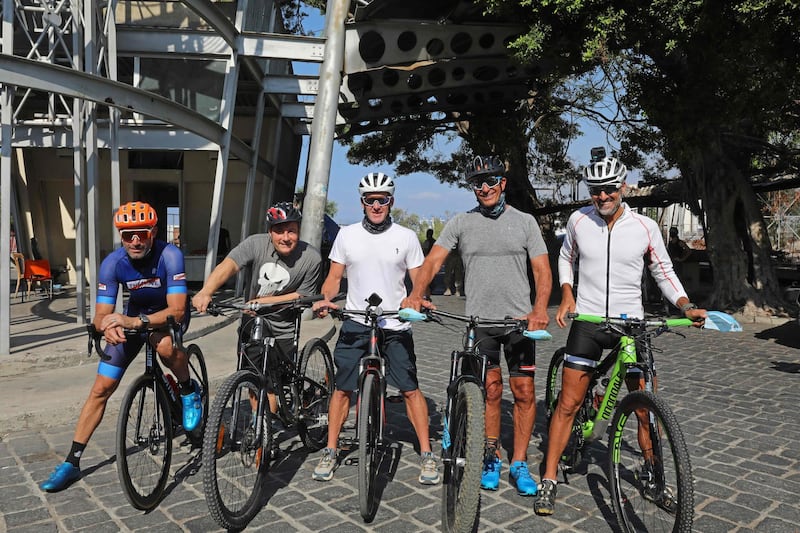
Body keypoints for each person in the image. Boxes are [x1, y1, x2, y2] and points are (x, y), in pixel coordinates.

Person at [534, 156, 707, 515]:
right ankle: (548, 478)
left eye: (610, 188)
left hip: (633, 324)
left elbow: (663, 269)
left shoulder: (645, 227)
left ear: (623, 188)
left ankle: (653, 476)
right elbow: (566, 257)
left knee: (646, 411)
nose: (603, 196)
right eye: (596, 190)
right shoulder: (579, 220)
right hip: (590, 320)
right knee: (568, 403)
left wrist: (685, 304)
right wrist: (567, 294)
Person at [403, 155, 552, 496]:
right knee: (492, 391)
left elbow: (543, 271)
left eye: (491, 181)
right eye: (477, 183)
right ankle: (490, 456)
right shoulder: (460, 223)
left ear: (503, 183)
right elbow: (432, 262)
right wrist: (415, 293)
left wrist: (539, 308)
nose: (484, 188)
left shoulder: (525, 222)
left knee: (525, 393)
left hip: (518, 322)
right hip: (480, 321)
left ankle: (519, 462)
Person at [40, 201, 200, 492]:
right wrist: (108, 326)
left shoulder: (170, 255)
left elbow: (177, 310)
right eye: (127, 235)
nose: (135, 240)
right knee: (101, 387)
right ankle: (71, 462)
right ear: (120, 236)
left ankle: (188, 389)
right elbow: (100, 315)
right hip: (133, 318)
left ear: (153, 233)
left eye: (141, 233)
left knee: (164, 345)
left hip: (165, 316)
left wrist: (135, 322)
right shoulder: (113, 263)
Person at [311, 172, 440, 485]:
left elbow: (418, 278)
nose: (377, 204)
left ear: (391, 201)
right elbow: (334, 276)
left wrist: (419, 298)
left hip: (395, 323)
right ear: (362, 203)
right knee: (342, 389)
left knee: (409, 388)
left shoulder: (406, 237)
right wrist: (326, 299)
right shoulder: (347, 235)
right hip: (356, 320)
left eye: (383, 199)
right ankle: (330, 449)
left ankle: (426, 453)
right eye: (371, 200)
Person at [192, 202, 322, 410]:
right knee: (255, 379)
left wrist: (264, 302)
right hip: (253, 322)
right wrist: (206, 291)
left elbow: (304, 295)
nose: (285, 237)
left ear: (299, 231)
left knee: (279, 383)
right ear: (270, 231)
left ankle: (275, 419)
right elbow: (229, 265)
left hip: (284, 328)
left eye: (291, 231)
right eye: (279, 231)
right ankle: (261, 431)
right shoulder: (255, 244)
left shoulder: (311, 257)